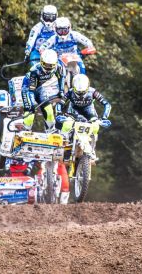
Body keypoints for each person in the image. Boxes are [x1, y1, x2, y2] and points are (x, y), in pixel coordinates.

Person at [54, 74, 112, 204]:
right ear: (74, 88)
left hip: (89, 113)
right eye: (78, 93)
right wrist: (59, 114)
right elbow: (60, 103)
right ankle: (62, 142)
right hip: (73, 112)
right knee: (66, 124)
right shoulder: (70, 92)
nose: (80, 95)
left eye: (82, 92)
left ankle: (91, 149)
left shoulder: (93, 92)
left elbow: (107, 104)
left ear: (87, 88)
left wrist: (104, 117)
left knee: (95, 126)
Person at [21, 49, 66, 132]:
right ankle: (26, 129)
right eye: (46, 64)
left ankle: (51, 130)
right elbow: (31, 90)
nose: (48, 68)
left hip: (40, 88)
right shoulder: (35, 70)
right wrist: (32, 103)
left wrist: (61, 91)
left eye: (51, 65)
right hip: (28, 89)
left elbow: (61, 78)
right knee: (30, 111)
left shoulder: (59, 67)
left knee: (49, 110)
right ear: (41, 62)